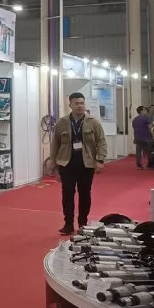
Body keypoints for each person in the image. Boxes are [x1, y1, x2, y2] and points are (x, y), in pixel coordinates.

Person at [49, 92, 107, 235]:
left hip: (86, 164)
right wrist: (53, 163)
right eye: (76, 103)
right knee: (67, 194)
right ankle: (68, 224)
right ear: (70, 105)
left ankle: (82, 224)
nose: (80, 106)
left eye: (82, 103)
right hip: (66, 164)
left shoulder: (93, 122)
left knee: (85, 194)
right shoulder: (62, 123)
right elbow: (55, 143)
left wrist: (100, 159)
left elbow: (101, 141)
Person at [132, 105, 153, 171]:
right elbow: (150, 128)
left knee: (138, 152)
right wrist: (153, 135)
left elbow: (134, 128)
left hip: (137, 137)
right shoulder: (147, 117)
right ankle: (150, 165)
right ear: (141, 111)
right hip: (147, 137)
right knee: (150, 152)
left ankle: (139, 165)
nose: (146, 111)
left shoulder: (135, 119)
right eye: (144, 110)